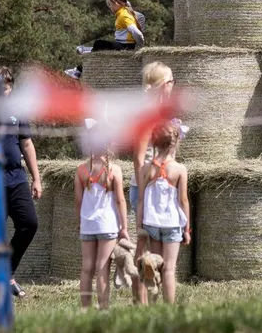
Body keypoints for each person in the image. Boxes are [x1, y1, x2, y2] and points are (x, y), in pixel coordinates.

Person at [129, 62, 188, 304]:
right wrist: (147, 186)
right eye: (172, 81)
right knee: (144, 250)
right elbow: (138, 156)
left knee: (153, 253)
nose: (174, 85)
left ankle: (154, 302)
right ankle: (141, 303)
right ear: (164, 85)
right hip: (147, 185)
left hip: (160, 183)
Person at [0, 67, 43, 299]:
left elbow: (26, 144)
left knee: (29, 223)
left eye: (5, 88)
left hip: (16, 178)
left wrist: (36, 177)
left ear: (10, 87)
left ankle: (8, 272)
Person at [136, 120, 191, 304]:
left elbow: (141, 199)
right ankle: (169, 306)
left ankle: (153, 303)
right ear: (175, 142)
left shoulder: (146, 168)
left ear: (154, 143)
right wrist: (186, 229)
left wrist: (139, 225)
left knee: (157, 265)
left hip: (151, 223)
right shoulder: (179, 169)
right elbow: (183, 201)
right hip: (172, 224)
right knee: (169, 268)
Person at [75, 141, 127, 311]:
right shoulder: (114, 170)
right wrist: (124, 227)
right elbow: (120, 200)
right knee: (102, 268)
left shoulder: (81, 170)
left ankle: (85, 309)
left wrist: (80, 222)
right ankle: (103, 309)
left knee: (86, 268)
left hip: (87, 225)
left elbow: (78, 201)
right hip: (108, 225)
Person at [75, 0, 145, 55]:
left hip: (125, 47)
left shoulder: (124, 15)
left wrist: (140, 46)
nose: (109, 7)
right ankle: (87, 52)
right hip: (122, 45)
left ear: (117, 3)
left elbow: (136, 32)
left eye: (110, 4)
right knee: (102, 44)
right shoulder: (122, 13)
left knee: (98, 43)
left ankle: (87, 52)